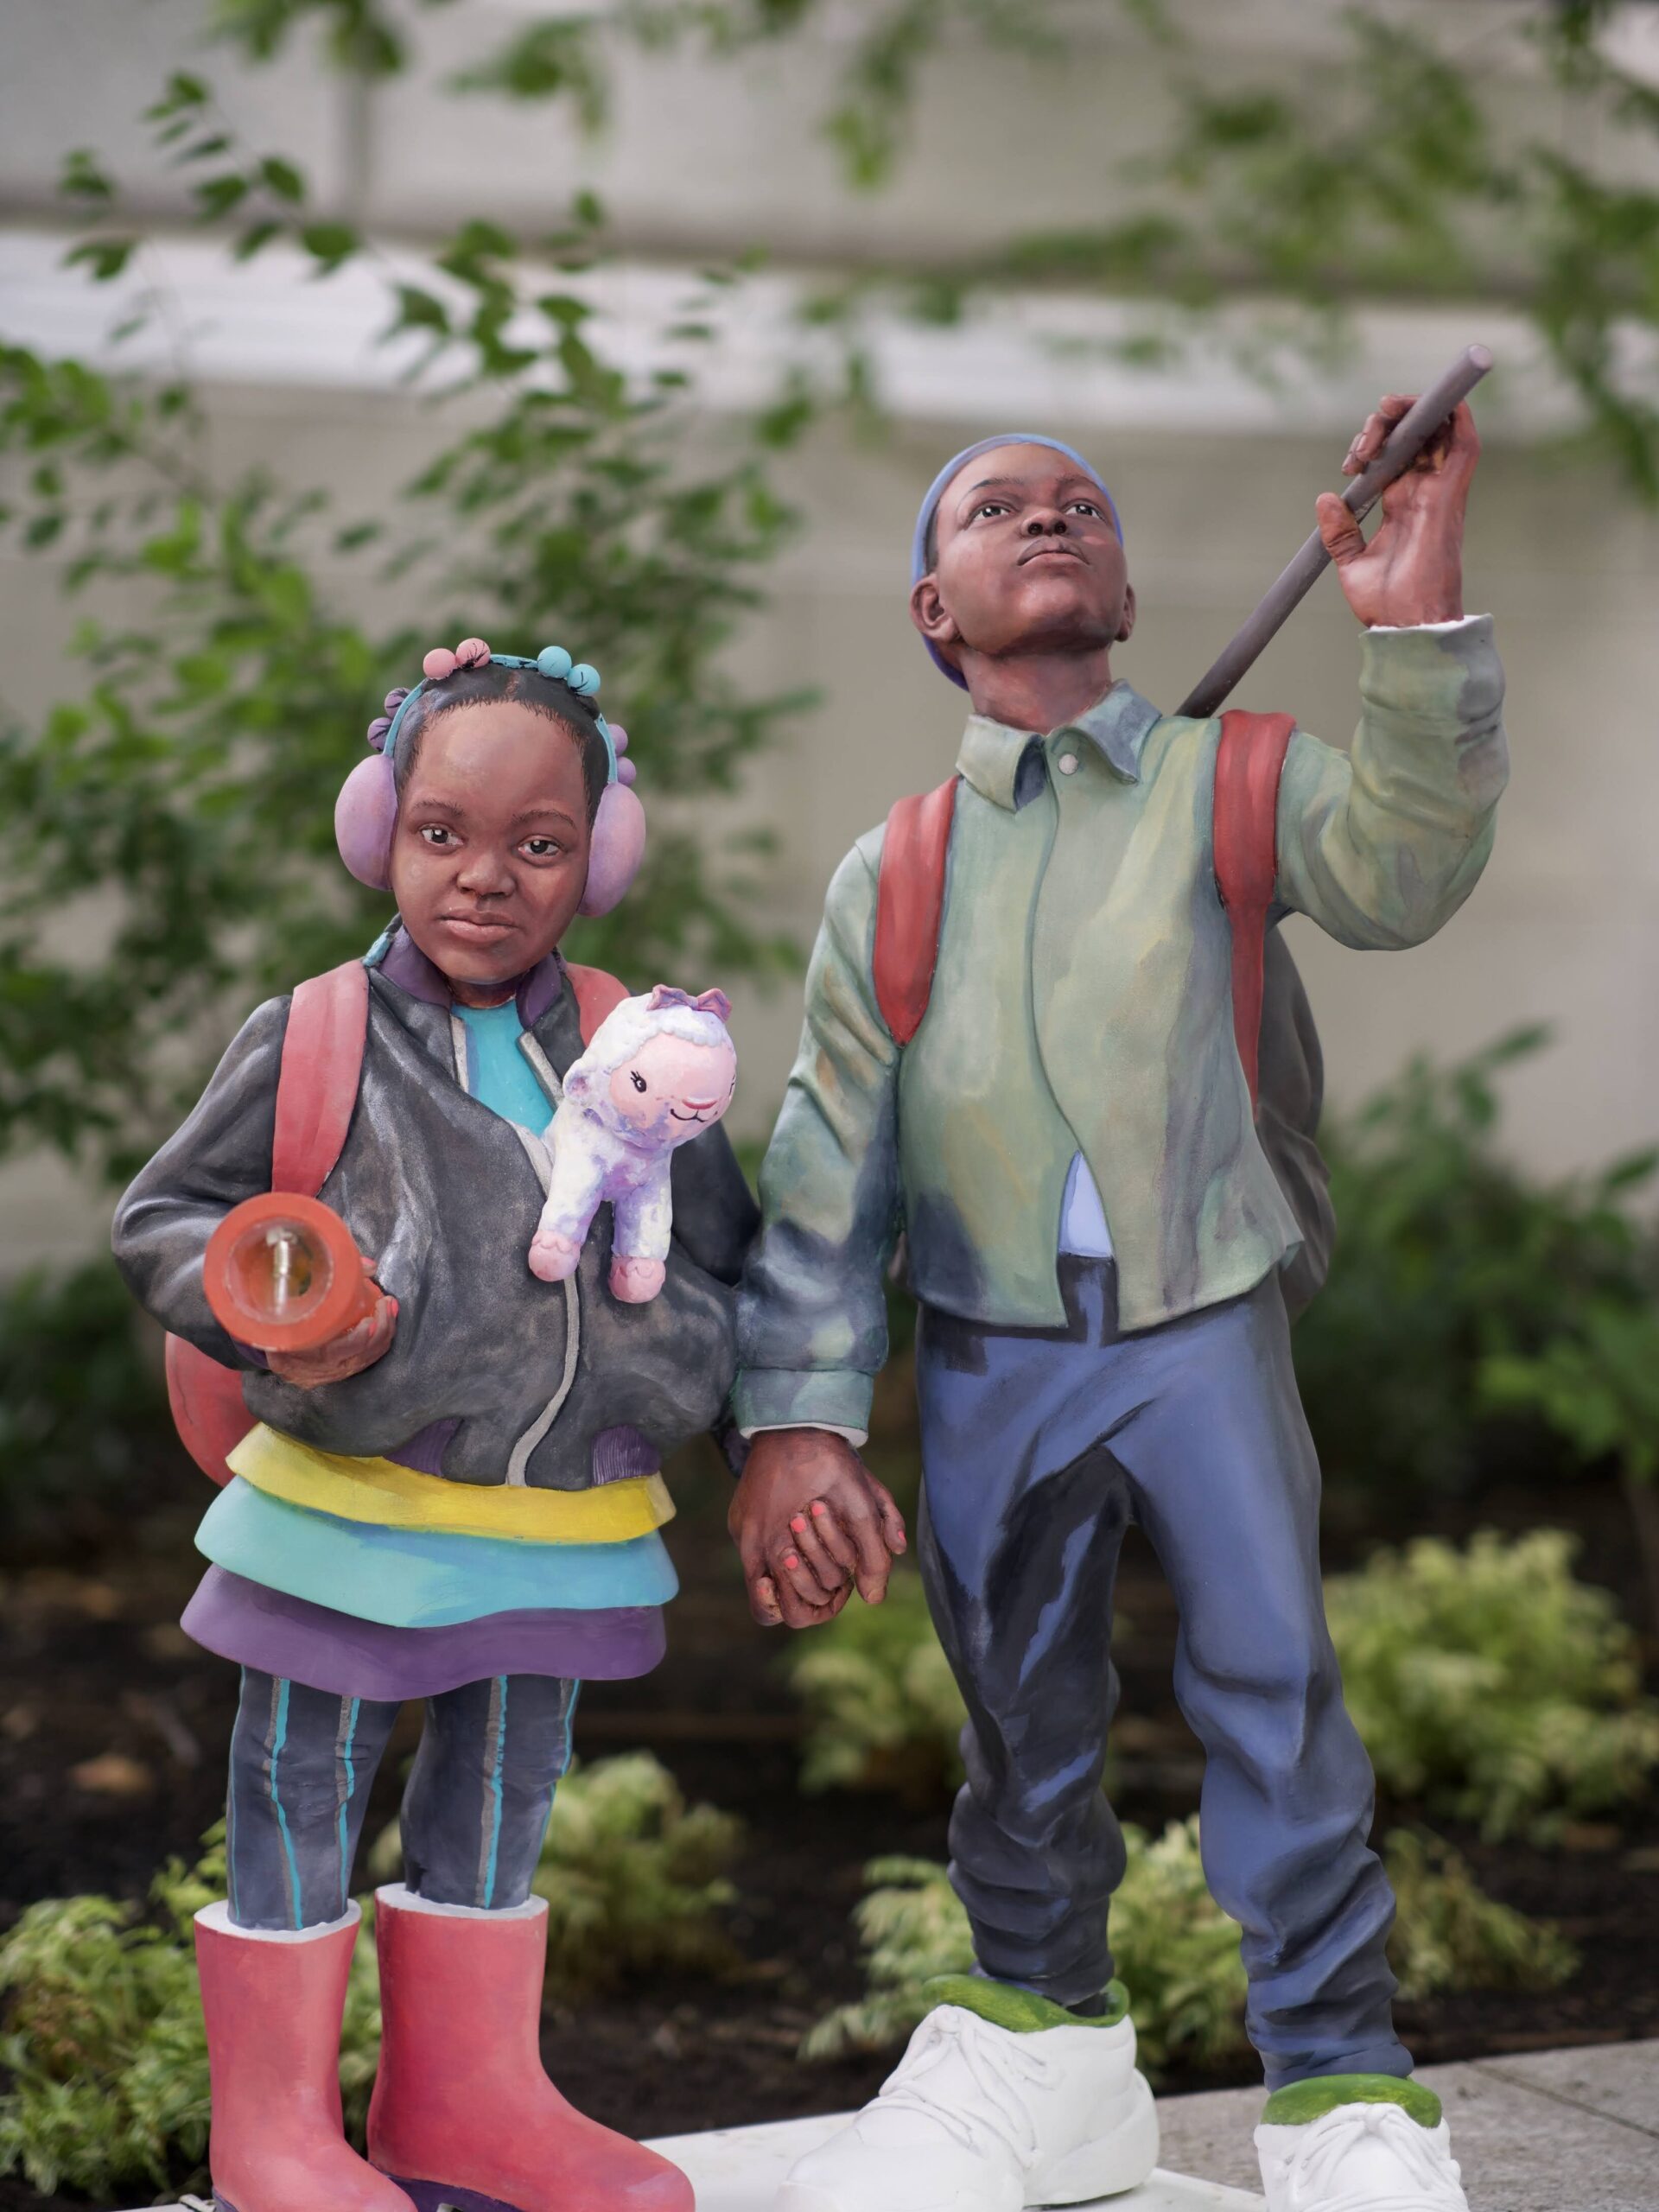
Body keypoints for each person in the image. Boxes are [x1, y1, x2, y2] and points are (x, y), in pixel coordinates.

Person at [730, 403, 1505, 2212]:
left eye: (1080, 503)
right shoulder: (898, 868)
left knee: (1271, 1679)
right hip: (995, 1338)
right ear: (937, 605)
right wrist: (797, 1414)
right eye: (1000, 508)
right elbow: (831, 1151)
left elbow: (1404, 864)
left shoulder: (1229, 782)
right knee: (1013, 1696)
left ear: (1133, 587)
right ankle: (1042, 2038)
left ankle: (1340, 2089)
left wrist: (1411, 624)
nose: (1049, 516)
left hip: (1199, 1318)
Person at [113, 638, 756, 2212]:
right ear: (379, 834)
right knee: (301, 1773)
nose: (486, 880)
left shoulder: (640, 1040)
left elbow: (731, 1249)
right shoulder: (316, 1032)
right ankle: (275, 2126)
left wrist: (726, 1404)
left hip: (564, 1511)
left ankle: (465, 2102)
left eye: (541, 845)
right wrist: (282, 1303)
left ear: (599, 857)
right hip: (353, 1498)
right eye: (442, 835)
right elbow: (166, 1218)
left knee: (507, 1776)